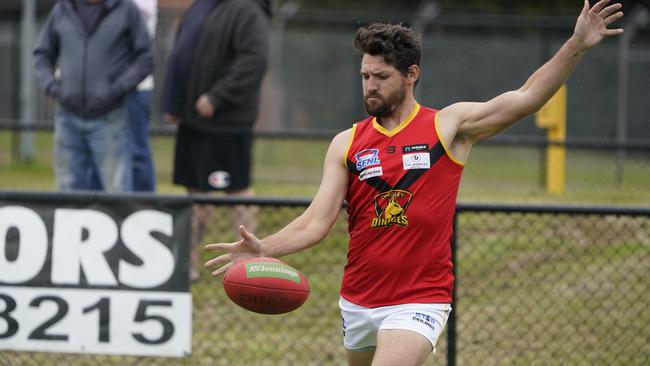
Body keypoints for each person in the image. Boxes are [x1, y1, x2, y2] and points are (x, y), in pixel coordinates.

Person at [204, 1, 624, 365]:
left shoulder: (448, 127)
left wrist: (576, 46)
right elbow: (317, 221)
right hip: (358, 300)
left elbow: (527, 96)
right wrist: (265, 247)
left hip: (420, 298)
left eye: (381, 76)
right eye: (365, 75)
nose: (370, 85)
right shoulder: (346, 143)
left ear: (411, 74)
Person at [161, 0, 271, 282]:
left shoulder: (248, 9)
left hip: (226, 124)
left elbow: (253, 60)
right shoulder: (202, 6)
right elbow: (182, 52)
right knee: (195, 193)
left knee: (237, 192)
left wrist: (217, 97)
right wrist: (173, 102)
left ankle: (250, 262)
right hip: (194, 122)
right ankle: (187, 265)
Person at [33, 0, 154, 192]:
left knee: (117, 191)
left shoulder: (126, 10)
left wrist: (116, 89)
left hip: (110, 117)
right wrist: (52, 87)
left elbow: (146, 58)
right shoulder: (63, 8)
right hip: (67, 117)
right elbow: (42, 54)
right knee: (67, 191)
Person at [88, 0, 158, 191]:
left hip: (134, 87)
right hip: (99, 87)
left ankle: (144, 209)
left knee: (136, 153)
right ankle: (97, 207)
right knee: (96, 150)